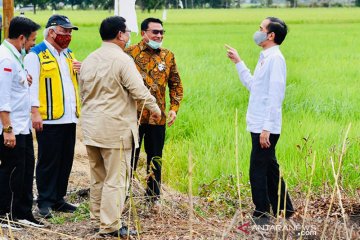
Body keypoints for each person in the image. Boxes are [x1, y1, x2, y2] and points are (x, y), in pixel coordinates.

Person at [80, 16, 161, 237]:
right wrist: (156, 109)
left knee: (98, 176)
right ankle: (111, 225)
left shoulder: (89, 59)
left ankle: (97, 217)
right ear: (119, 34)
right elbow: (139, 91)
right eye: (127, 33)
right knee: (116, 180)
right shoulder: (123, 60)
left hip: (91, 127)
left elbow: (83, 95)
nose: (128, 37)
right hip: (115, 130)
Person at [226, 17, 295, 224]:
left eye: (261, 28)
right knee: (270, 167)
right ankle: (286, 209)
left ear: (270, 35)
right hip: (258, 123)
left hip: (265, 126)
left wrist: (267, 128)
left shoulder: (276, 59)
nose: (258, 31)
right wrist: (239, 62)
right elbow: (254, 85)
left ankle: (262, 213)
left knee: (257, 169)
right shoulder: (265, 56)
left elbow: (276, 95)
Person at [24, 15, 81, 219]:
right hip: (48, 118)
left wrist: (80, 70)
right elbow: (32, 87)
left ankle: (58, 199)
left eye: (69, 31)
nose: (68, 35)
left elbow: (69, 84)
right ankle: (45, 201)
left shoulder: (68, 55)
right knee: (48, 160)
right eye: (64, 31)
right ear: (51, 32)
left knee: (65, 160)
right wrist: (35, 112)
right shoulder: (36, 55)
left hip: (69, 117)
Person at [125, 18, 183, 206]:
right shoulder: (128, 53)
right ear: (143, 33)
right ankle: (123, 193)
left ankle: (153, 197)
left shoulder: (168, 56)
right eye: (155, 32)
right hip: (132, 117)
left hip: (158, 118)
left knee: (155, 157)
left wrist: (174, 108)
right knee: (129, 156)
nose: (159, 35)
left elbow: (175, 84)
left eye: (161, 32)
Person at [0, 16, 43, 229]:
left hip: (22, 126)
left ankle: (23, 212)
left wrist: (24, 80)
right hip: (12, 127)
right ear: (21, 37)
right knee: (12, 172)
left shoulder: (15, 56)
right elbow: (2, 98)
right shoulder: (6, 59)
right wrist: (7, 130)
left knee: (26, 170)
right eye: (33, 39)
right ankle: (5, 215)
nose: (34, 43)